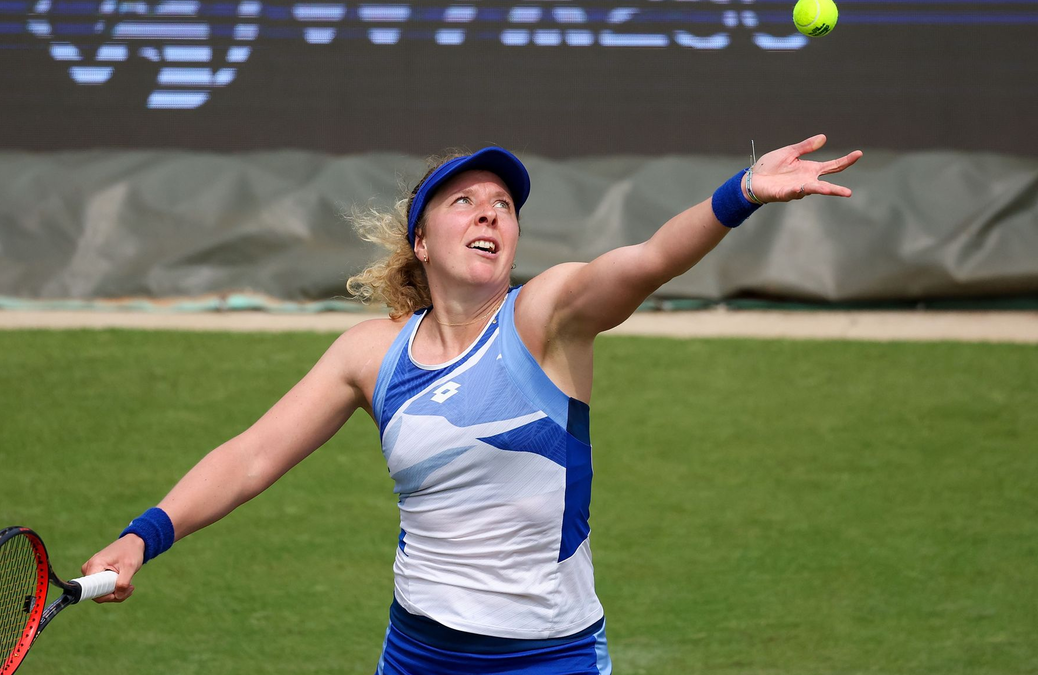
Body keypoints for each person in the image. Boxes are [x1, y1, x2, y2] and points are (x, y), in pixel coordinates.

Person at [82, 135, 862, 674]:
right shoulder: (372, 353)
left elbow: (650, 259)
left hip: (547, 653)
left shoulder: (546, 316)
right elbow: (253, 454)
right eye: (465, 202)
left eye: (503, 205)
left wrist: (742, 193)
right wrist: (143, 536)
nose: (491, 211)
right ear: (421, 241)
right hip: (418, 651)